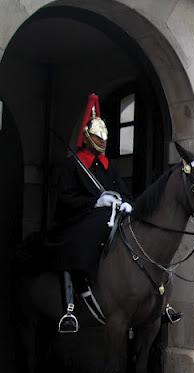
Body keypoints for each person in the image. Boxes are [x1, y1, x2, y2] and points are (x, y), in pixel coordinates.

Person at [46, 93, 133, 332]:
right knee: (85, 236)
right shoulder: (72, 165)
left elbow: (123, 190)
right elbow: (65, 198)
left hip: (111, 216)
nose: (102, 140)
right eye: (97, 135)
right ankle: (71, 305)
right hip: (77, 219)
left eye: (104, 136)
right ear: (87, 136)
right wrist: (95, 201)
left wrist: (126, 203)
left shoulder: (109, 166)